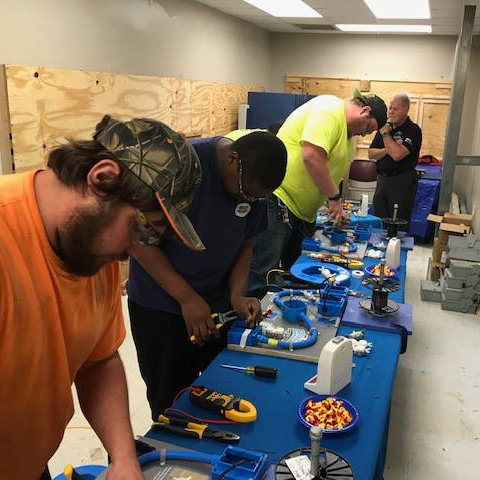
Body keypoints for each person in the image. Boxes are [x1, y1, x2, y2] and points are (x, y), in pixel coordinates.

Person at [0, 115, 205, 479]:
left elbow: (99, 360)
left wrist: (123, 456)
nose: (132, 252)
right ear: (102, 178)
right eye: (139, 228)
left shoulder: (93, 251)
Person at [127, 131, 287, 421]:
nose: (250, 200)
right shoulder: (180, 165)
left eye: (258, 197)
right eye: (246, 193)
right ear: (233, 159)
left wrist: (237, 294)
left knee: (221, 388)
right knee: (171, 403)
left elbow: (246, 242)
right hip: (160, 304)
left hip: (215, 303)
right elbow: (138, 241)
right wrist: (187, 298)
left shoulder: (253, 185)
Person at [247, 89, 387, 295]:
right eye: (369, 128)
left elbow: (332, 172)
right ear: (364, 111)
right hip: (280, 200)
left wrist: (336, 207)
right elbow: (312, 156)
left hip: (303, 213)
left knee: (298, 270)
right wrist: (333, 198)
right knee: (263, 267)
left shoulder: (348, 134)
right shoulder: (329, 110)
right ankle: (247, 319)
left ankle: (283, 308)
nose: (365, 134)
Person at [369, 93, 423, 228]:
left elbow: (397, 155)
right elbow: (371, 154)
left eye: (395, 109)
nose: (391, 112)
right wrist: (389, 148)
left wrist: (387, 136)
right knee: (379, 220)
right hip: (383, 180)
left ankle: (396, 247)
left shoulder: (412, 130)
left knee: (398, 222)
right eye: (390, 108)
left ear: (406, 110)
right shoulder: (384, 127)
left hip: (401, 182)